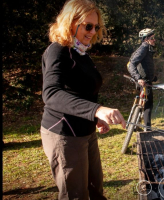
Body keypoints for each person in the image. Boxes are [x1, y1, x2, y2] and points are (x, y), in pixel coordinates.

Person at [40, 0, 126, 199]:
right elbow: (51, 93)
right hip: (64, 134)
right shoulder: (58, 50)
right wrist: (97, 110)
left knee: (95, 189)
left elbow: (81, 92)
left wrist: (94, 118)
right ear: (70, 23)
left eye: (96, 27)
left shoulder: (81, 52)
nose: (93, 31)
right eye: (88, 26)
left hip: (85, 131)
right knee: (76, 195)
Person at [127, 28, 156, 130]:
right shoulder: (144, 48)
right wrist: (138, 78)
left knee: (142, 104)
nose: (154, 40)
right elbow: (131, 64)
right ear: (146, 39)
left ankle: (135, 126)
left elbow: (144, 65)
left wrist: (152, 76)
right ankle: (147, 129)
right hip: (144, 82)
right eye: (152, 38)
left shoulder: (146, 48)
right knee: (148, 106)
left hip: (146, 80)